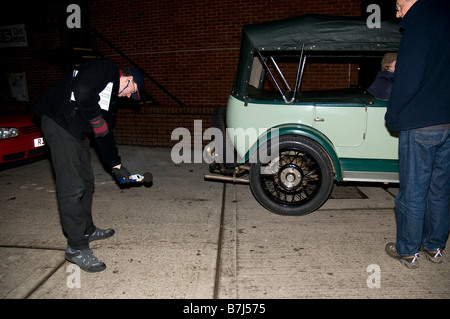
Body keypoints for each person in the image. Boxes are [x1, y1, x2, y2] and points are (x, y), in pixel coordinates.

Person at [34, 59, 143, 272]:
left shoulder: (108, 99)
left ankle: (87, 229)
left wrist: (117, 166)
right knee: (72, 187)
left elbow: (104, 134)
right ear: (128, 79)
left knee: (86, 181)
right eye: (132, 91)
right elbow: (82, 89)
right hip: (59, 123)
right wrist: (96, 121)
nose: (129, 96)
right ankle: (76, 247)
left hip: (76, 130)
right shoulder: (107, 69)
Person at [385, 0, 450, 269]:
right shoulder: (445, 16)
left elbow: (410, 77)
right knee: (440, 189)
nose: (398, 14)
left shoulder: (418, 22)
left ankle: (408, 250)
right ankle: (434, 247)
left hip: (420, 123)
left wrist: (393, 114)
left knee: (413, 191)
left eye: (399, 6)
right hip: (447, 121)